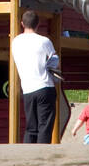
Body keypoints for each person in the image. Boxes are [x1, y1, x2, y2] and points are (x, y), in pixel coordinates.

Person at [11, 10, 61, 143]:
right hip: (45, 86)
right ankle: (42, 157)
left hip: (27, 89)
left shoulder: (15, 42)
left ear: (22, 23)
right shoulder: (44, 41)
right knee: (44, 126)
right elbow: (55, 61)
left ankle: (28, 156)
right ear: (38, 24)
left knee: (31, 128)